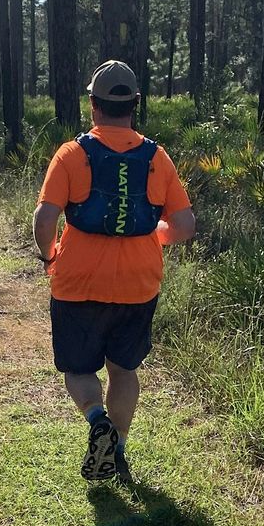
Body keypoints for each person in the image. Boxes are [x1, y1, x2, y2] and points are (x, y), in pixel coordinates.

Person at [33, 60, 196, 482]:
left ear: (93, 104)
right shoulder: (157, 157)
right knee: (124, 370)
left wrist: (50, 255)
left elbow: (44, 220)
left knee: (79, 369)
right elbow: (184, 226)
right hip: (138, 284)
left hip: (77, 282)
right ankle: (118, 450)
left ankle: (96, 419)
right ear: (134, 104)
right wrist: (150, 237)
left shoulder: (71, 154)